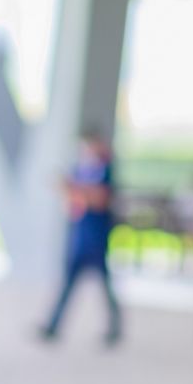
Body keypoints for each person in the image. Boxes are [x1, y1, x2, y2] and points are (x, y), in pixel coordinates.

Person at [39, 130, 122, 345]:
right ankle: (53, 325)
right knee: (68, 283)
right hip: (80, 235)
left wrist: (76, 189)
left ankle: (114, 328)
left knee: (105, 285)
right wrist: (69, 190)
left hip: (97, 236)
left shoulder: (104, 171)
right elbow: (72, 205)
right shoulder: (79, 171)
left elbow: (101, 199)